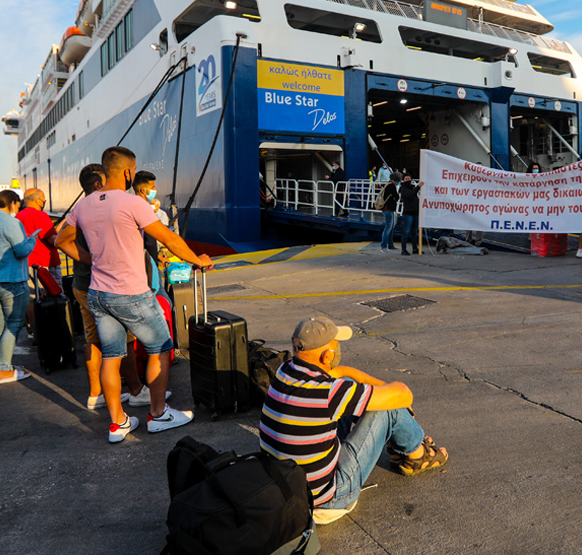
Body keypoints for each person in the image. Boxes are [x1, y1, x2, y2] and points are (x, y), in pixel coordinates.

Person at [56, 146, 214, 443]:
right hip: (131, 293)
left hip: (98, 294)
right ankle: (158, 414)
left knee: (112, 356)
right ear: (129, 172)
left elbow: (60, 240)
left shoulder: (85, 204)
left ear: (104, 171)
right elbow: (167, 237)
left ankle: (117, 424)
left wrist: (91, 261)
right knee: (160, 347)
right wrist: (198, 260)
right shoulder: (132, 203)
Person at [260, 317, 448, 524]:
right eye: (336, 344)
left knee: (354, 387)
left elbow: (340, 374)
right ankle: (418, 455)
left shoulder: (285, 369)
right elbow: (404, 394)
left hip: (290, 490)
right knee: (387, 408)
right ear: (327, 355)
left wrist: (363, 379)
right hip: (328, 499)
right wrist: (391, 395)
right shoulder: (329, 393)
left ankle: (399, 442)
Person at [61, 165, 147, 410]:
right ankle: (136, 390)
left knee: (93, 339)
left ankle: (96, 394)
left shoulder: (78, 209)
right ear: (99, 184)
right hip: (108, 285)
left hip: (81, 284)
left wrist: (86, 259)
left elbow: (59, 240)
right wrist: (97, 260)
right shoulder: (101, 207)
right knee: (126, 339)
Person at [0, 190, 39, 384]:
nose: (18, 209)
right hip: (10, 282)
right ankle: (4, 370)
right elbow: (22, 251)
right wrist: (32, 239)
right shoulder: (12, 223)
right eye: (18, 205)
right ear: (11, 203)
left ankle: (1, 365)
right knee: (13, 324)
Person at [16, 188, 60, 287]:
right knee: (54, 296)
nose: (44, 202)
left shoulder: (18, 216)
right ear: (38, 201)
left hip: (26, 264)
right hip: (45, 265)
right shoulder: (40, 215)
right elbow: (52, 239)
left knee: (33, 297)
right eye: (44, 200)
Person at [397, 173, 420, 255]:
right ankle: (403, 249)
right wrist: (418, 187)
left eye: (409, 178)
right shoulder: (403, 189)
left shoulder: (412, 188)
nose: (408, 180)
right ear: (403, 180)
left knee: (414, 231)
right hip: (408, 213)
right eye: (406, 179)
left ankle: (415, 248)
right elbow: (411, 195)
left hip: (415, 212)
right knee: (406, 231)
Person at [378, 172, 400, 252]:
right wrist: (395, 197)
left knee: (391, 227)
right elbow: (397, 197)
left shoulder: (388, 185)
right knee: (388, 228)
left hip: (387, 209)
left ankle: (390, 245)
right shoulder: (391, 186)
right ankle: (384, 246)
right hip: (388, 209)